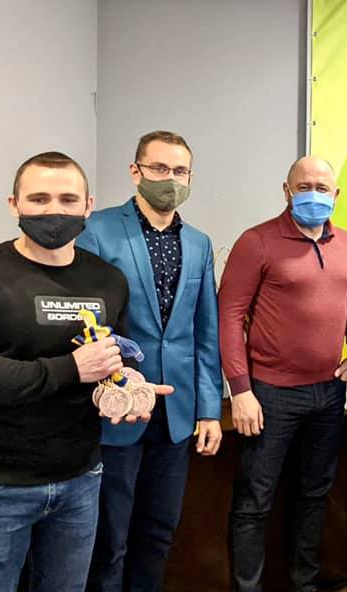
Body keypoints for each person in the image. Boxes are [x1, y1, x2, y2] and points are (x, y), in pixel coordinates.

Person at [0, 151, 170, 592]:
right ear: (14, 204)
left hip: (81, 479)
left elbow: (115, 352)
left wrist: (129, 384)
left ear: (88, 206)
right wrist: (71, 368)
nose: (54, 211)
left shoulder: (108, 280)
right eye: (39, 199)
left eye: (67, 200)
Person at [79, 131, 223, 592]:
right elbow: (85, 319)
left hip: (175, 413)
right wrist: (116, 377)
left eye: (179, 171)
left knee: (159, 532)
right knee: (109, 537)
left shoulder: (199, 243)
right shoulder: (98, 229)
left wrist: (209, 410)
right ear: (135, 171)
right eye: (159, 168)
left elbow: (205, 332)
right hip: (117, 409)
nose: (170, 179)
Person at [220, 156, 347, 592]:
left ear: (336, 195)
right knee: (255, 501)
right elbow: (229, 317)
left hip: (328, 392)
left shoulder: (346, 243)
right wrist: (240, 390)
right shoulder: (256, 242)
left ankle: (305, 584)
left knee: (315, 495)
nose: (313, 195)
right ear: (286, 191)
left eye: (322, 188)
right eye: (304, 187)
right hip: (270, 396)